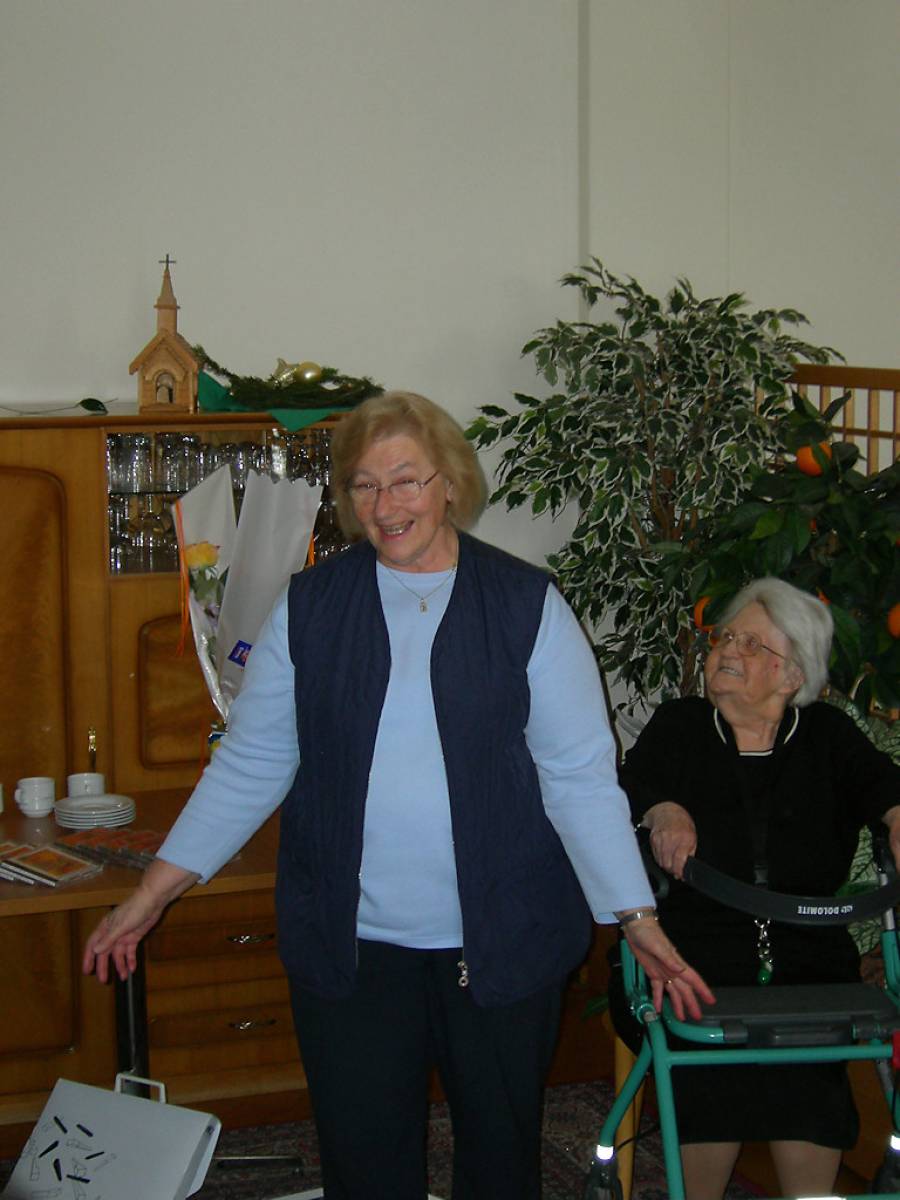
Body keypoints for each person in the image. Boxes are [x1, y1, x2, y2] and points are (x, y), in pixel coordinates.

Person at [83, 390, 713, 1200]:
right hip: (354, 949)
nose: (386, 506)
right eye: (366, 485)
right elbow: (254, 761)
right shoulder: (312, 606)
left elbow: (578, 776)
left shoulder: (525, 604)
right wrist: (151, 895)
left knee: (500, 1163)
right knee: (364, 1166)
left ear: (450, 483)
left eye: (407, 480)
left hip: (502, 943)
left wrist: (636, 917)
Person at [610, 576, 900, 1200]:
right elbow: (630, 784)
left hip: (810, 962)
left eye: (751, 643)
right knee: (711, 1086)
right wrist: (664, 809)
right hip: (694, 959)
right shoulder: (682, 725)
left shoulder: (827, 735)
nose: (726, 651)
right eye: (725, 638)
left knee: (810, 1082)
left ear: (793, 674)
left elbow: (884, 784)